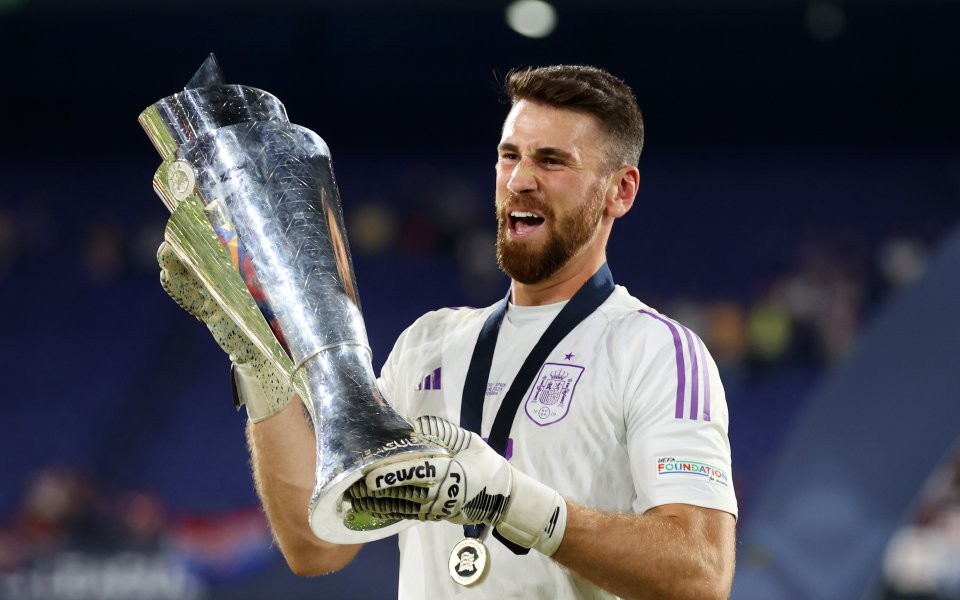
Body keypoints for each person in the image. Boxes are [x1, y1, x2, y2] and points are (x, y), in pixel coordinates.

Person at [158, 65, 737, 599]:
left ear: (620, 191)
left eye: (552, 161)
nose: (521, 179)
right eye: (510, 156)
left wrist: (512, 502)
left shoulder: (656, 351)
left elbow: (700, 574)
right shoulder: (427, 344)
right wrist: (258, 363)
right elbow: (318, 545)